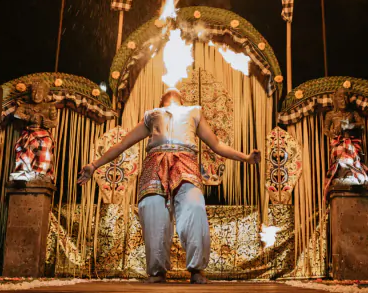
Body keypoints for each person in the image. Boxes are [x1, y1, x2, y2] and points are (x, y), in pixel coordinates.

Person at [77, 87, 260, 283]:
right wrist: (94, 165)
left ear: (182, 98)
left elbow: (216, 144)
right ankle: (157, 272)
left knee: (194, 207)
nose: (171, 88)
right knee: (152, 210)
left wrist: (246, 158)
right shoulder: (152, 115)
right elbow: (123, 144)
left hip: (185, 162)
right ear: (160, 98)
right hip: (155, 163)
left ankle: (197, 269)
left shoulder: (194, 111)